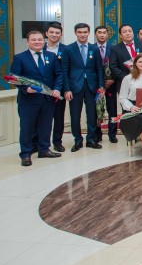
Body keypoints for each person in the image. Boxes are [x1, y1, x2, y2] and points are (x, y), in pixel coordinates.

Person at [11, 30, 63, 166]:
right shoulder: (20, 58)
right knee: (27, 128)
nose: (37, 42)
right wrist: (25, 88)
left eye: (39, 39)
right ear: (27, 42)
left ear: (43, 41)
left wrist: (57, 89)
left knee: (46, 126)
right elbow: (13, 78)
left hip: (48, 99)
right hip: (28, 100)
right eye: (33, 40)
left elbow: (59, 74)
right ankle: (26, 154)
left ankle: (44, 149)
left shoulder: (51, 56)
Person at [62, 23, 104, 152]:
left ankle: (91, 139)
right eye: (80, 32)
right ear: (75, 33)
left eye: (85, 32)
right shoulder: (69, 49)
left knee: (92, 115)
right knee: (75, 115)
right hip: (74, 87)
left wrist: (101, 86)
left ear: (89, 33)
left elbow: (99, 69)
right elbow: (64, 71)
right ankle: (78, 140)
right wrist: (67, 89)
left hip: (92, 86)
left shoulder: (94, 49)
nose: (82, 34)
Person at [43, 21, 67, 153]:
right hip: (42, 90)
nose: (54, 34)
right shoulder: (40, 48)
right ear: (46, 33)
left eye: (57, 33)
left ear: (61, 35)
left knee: (59, 117)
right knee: (42, 118)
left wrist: (64, 88)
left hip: (60, 89)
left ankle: (57, 142)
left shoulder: (65, 49)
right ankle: (40, 144)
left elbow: (66, 71)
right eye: (51, 32)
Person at [109, 24, 142, 89]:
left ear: (133, 33)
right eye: (124, 32)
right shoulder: (115, 49)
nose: (128, 33)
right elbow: (113, 66)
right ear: (120, 35)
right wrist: (127, 77)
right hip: (124, 82)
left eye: (130, 31)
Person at [95, 25, 118, 143]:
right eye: (99, 32)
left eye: (104, 32)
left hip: (111, 84)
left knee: (112, 110)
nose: (102, 34)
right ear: (95, 34)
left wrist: (113, 79)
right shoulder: (91, 48)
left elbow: (117, 65)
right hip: (95, 85)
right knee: (97, 110)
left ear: (108, 34)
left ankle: (112, 134)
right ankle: (97, 134)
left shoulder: (113, 48)